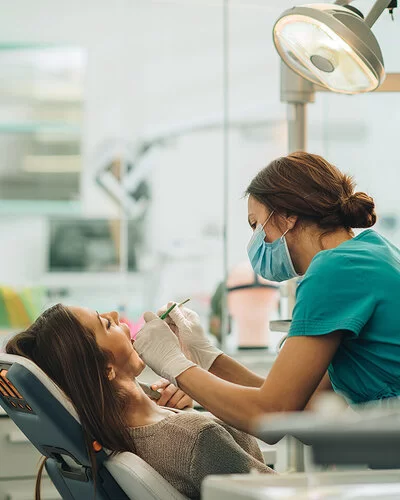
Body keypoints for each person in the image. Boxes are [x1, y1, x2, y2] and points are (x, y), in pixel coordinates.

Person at [133, 151, 400, 435]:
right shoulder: (370, 252)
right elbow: (305, 408)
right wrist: (207, 358)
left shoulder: (334, 269)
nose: (255, 240)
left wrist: (174, 364)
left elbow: (271, 415)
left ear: (287, 216)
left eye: (255, 224)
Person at [5, 304, 273, 499]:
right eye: (106, 324)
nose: (114, 315)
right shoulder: (196, 437)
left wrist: (191, 394)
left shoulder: (115, 433)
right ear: (106, 369)